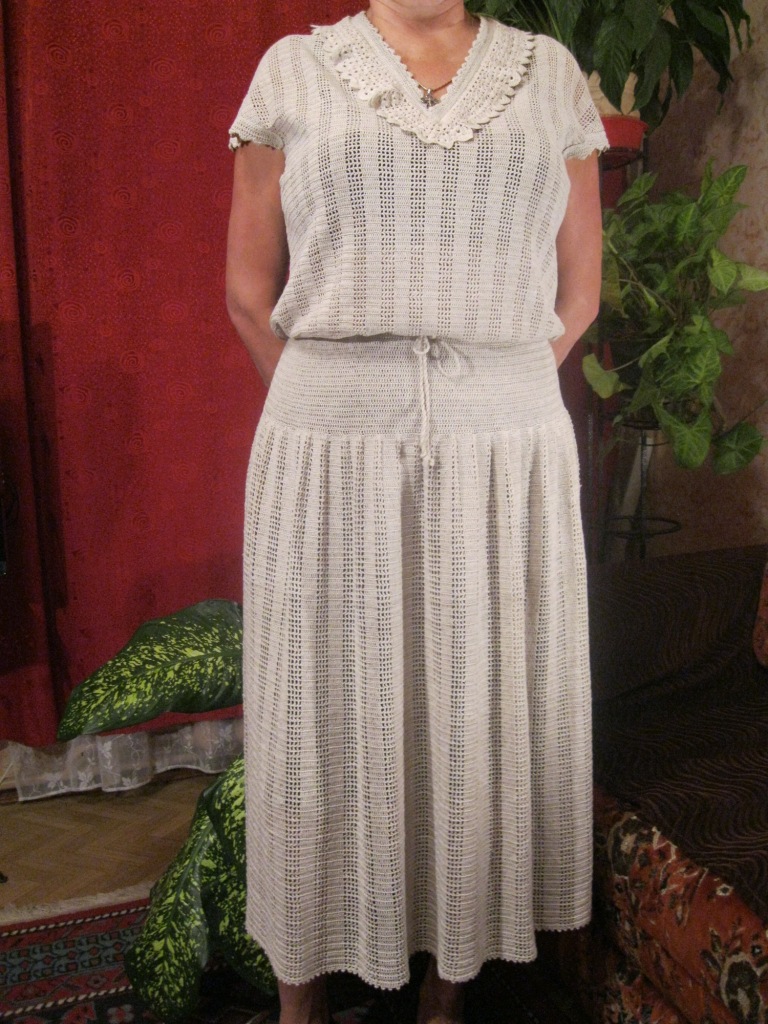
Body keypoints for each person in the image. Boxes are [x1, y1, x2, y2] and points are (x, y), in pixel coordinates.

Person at [225, 1, 607, 1022]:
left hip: (506, 454)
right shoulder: (293, 71)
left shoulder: (550, 74)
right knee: (320, 711)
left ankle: (448, 996)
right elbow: (247, 292)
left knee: (478, 706)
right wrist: (336, 407)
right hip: (329, 448)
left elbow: (580, 294)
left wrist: (495, 398)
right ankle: (300, 1001)